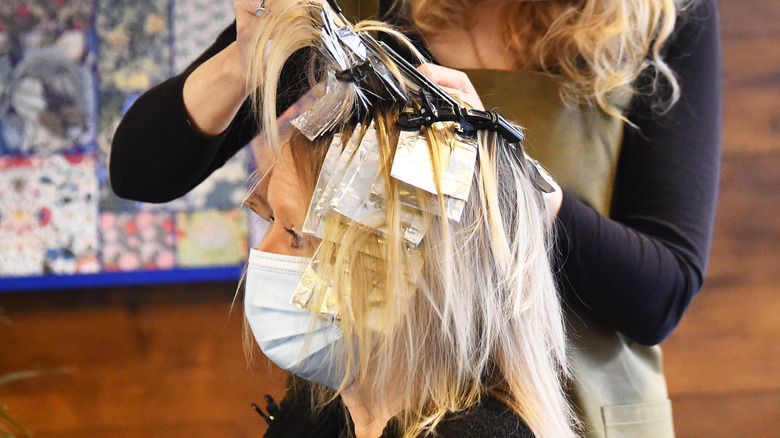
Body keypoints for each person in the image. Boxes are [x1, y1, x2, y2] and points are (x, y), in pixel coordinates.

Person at [109, 0, 721, 436]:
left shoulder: (656, 17)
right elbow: (142, 169)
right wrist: (249, 57)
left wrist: (504, 178)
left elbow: (660, 292)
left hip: (575, 405)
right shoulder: (356, 11)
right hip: (373, 404)